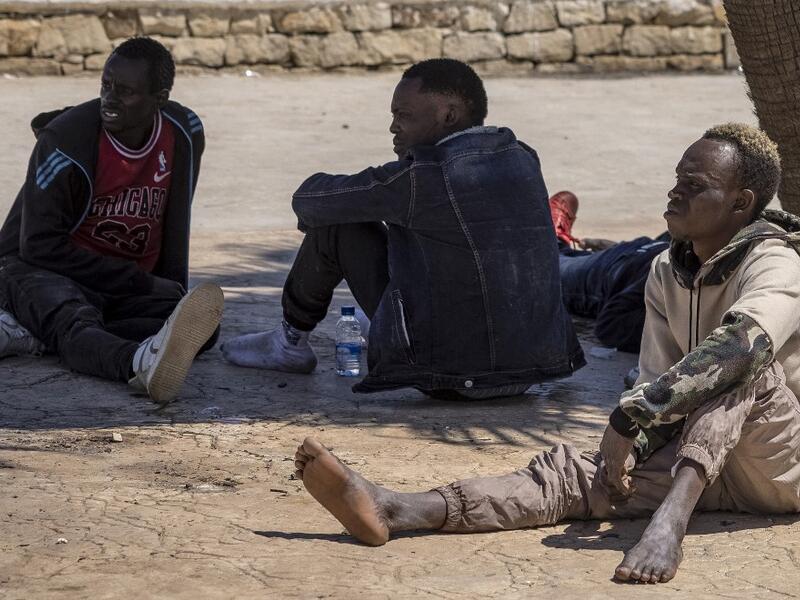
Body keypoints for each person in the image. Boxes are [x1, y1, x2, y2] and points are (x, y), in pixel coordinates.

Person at [292, 123, 800, 583]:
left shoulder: (777, 262)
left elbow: (742, 348)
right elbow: (658, 384)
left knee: (742, 368)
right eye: (677, 179)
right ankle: (402, 508)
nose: (675, 192)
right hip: (702, 463)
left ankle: (670, 523)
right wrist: (628, 451)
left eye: (696, 185)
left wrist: (630, 420)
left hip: (779, 467)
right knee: (576, 474)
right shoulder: (666, 270)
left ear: (741, 203)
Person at [223, 59, 584, 399]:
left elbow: (309, 200)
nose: (393, 127)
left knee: (337, 225)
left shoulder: (421, 177)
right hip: (531, 372)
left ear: (448, 116)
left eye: (403, 115)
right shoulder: (523, 155)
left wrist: (354, 205)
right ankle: (372, 324)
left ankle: (289, 342)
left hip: (452, 378)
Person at [0, 37, 223, 404]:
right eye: (106, 85)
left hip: (114, 282)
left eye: (126, 91)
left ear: (159, 99)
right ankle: (138, 362)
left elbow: (175, 219)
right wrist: (139, 281)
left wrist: (165, 287)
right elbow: (37, 246)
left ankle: (40, 332)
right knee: (75, 321)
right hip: (38, 269)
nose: (110, 98)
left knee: (202, 331)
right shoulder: (64, 141)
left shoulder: (184, 132)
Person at [549, 190, 670, 353]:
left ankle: (554, 242)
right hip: (635, 252)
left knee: (545, 268)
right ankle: (557, 243)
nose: (674, 193)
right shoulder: (702, 237)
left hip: (604, 274)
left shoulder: (670, 276)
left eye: (694, 184)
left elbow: (610, 326)